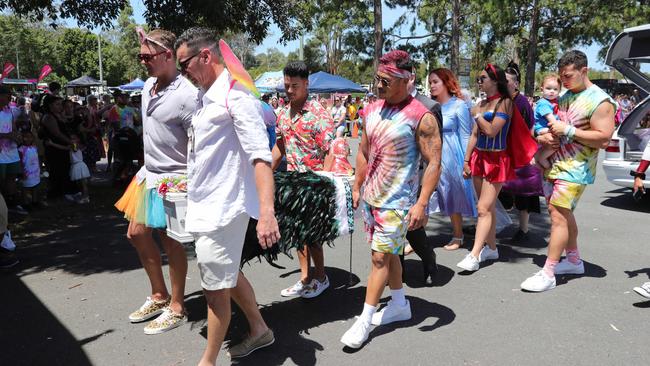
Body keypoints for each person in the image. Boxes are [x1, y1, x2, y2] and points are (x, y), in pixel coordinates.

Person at [175, 27, 280, 363]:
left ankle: (207, 361)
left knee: (214, 290)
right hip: (204, 206)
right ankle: (260, 329)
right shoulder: (205, 97)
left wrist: (267, 212)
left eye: (184, 64)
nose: (183, 72)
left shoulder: (235, 97)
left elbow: (261, 157)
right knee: (228, 275)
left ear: (205, 56)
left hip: (225, 211)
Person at [340, 50, 441, 348]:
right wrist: (357, 186)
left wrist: (422, 203)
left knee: (379, 258)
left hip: (398, 202)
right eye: (377, 78)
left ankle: (364, 320)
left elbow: (434, 162)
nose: (378, 84)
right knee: (392, 254)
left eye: (385, 80)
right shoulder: (371, 110)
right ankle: (399, 305)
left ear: (405, 80)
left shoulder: (421, 117)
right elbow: (363, 151)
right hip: (373, 198)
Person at [115, 29, 197, 335]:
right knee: (136, 233)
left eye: (147, 57)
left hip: (176, 179)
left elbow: (198, 143)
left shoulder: (187, 95)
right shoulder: (148, 85)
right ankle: (159, 294)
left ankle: (177, 306)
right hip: (149, 175)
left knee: (171, 241)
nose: (143, 62)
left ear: (167, 55)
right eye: (140, 56)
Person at [520, 50, 617, 292]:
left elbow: (604, 139)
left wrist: (569, 131)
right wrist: (540, 135)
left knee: (557, 215)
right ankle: (573, 261)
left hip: (576, 168)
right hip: (554, 163)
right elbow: (545, 126)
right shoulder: (565, 96)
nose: (564, 81)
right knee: (562, 214)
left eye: (569, 76)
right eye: (562, 77)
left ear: (584, 71)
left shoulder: (600, 101)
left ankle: (549, 272)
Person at [457, 63, 534, 272]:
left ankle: (474, 254)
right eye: (478, 79)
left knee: (482, 209)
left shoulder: (505, 103)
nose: (479, 82)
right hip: (479, 158)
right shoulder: (481, 103)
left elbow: (491, 131)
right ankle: (491, 248)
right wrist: (466, 160)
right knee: (487, 208)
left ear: (495, 80)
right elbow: (475, 135)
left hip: (497, 160)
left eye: (482, 78)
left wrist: (477, 115)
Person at [273, 61, 335, 299]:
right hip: (293, 183)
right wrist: (263, 172)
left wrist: (324, 182)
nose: (289, 90)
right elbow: (280, 148)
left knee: (314, 236)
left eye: (294, 86)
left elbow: (330, 149)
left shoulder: (319, 114)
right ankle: (304, 278)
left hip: (314, 184)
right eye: (286, 85)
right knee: (298, 234)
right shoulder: (282, 113)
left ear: (307, 84)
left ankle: (321, 278)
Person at [427, 68, 476, 251]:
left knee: (453, 195)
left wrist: (466, 161)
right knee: (426, 195)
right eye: (430, 82)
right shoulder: (430, 106)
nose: (431, 86)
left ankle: (458, 235)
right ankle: (415, 240)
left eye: (435, 82)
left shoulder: (459, 105)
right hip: (432, 155)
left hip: (452, 156)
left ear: (446, 83)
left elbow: (465, 135)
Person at [501, 61, 543, 243]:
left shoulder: (522, 102)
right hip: (505, 151)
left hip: (521, 153)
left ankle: (523, 229)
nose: (505, 84)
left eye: (508, 81)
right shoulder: (501, 100)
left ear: (516, 83)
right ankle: (496, 223)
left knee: (523, 194)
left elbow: (528, 130)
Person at [38, 95, 76, 200]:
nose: (60, 107)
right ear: (50, 106)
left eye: (60, 104)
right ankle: (58, 192)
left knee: (65, 168)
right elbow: (57, 133)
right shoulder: (48, 117)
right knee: (57, 170)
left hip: (63, 147)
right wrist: (71, 142)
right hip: (54, 148)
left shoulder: (59, 115)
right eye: (57, 104)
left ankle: (67, 190)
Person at [533, 74, 563, 169]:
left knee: (549, 146)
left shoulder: (552, 102)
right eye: (548, 88)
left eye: (555, 89)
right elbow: (551, 119)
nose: (551, 91)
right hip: (543, 129)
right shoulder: (543, 103)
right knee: (554, 145)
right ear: (542, 89)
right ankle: (545, 162)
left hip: (545, 128)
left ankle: (539, 159)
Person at [18, 131, 42, 208]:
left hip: (35, 171)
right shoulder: (21, 149)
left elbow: (37, 158)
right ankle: (26, 203)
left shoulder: (34, 147)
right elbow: (20, 162)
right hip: (27, 171)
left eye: (30, 137)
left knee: (35, 185)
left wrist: (39, 167)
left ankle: (35, 201)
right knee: (25, 187)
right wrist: (22, 172)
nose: (28, 139)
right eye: (26, 137)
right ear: (22, 138)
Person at [69, 134, 90, 204]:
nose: (72, 140)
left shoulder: (75, 146)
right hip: (76, 166)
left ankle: (86, 198)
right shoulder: (73, 146)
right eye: (71, 139)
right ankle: (84, 196)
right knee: (81, 184)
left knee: (83, 183)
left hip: (80, 166)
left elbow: (74, 149)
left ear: (77, 139)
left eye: (74, 139)